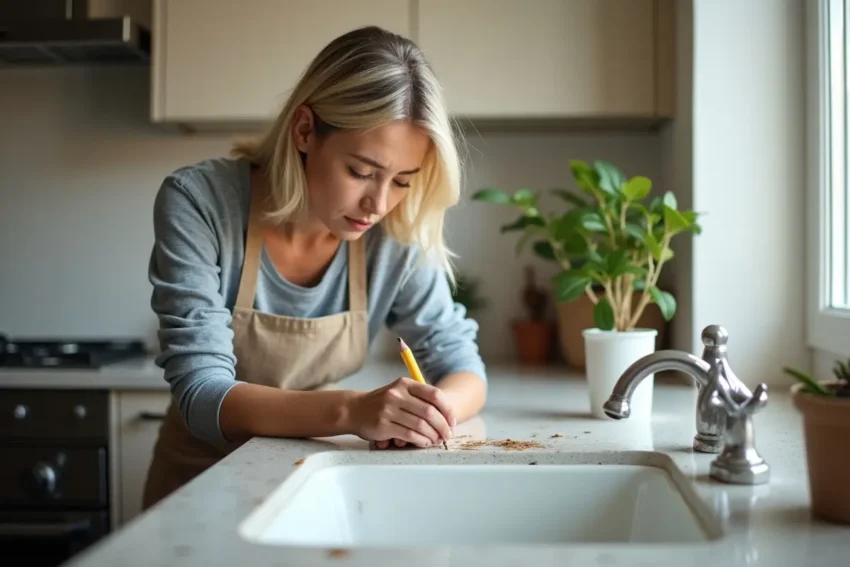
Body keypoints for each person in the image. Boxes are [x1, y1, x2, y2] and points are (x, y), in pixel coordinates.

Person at [141, 25, 488, 509]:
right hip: (199, 488)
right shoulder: (200, 203)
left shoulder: (394, 232)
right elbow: (202, 395)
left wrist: (428, 414)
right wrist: (353, 409)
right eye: (361, 172)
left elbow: (461, 364)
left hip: (318, 481)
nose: (378, 203)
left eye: (403, 181)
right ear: (305, 131)